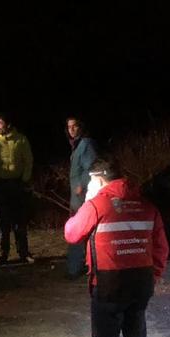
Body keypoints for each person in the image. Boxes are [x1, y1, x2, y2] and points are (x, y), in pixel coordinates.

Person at [64, 158, 168, 337]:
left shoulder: (97, 205)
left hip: (108, 286)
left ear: (99, 179)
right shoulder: (147, 206)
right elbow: (161, 249)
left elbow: (71, 233)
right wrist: (153, 277)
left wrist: (85, 203)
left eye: (91, 181)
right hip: (140, 285)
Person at [0, 114, 34, 265]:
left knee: (20, 221)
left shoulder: (20, 139)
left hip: (17, 184)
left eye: (1, 124)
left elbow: (28, 160)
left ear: (8, 124)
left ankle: (23, 253)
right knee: (2, 222)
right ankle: (3, 254)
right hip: (0, 185)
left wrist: (24, 179)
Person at [65, 117, 99, 279]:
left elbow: (92, 167)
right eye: (69, 127)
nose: (71, 129)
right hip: (76, 198)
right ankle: (81, 265)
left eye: (74, 126)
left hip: (82, 197)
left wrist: (81, 184)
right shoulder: (77, 146)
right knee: (79, 231)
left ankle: (77, 267)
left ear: (81, 127)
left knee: (79, 231)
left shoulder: (85, 144)